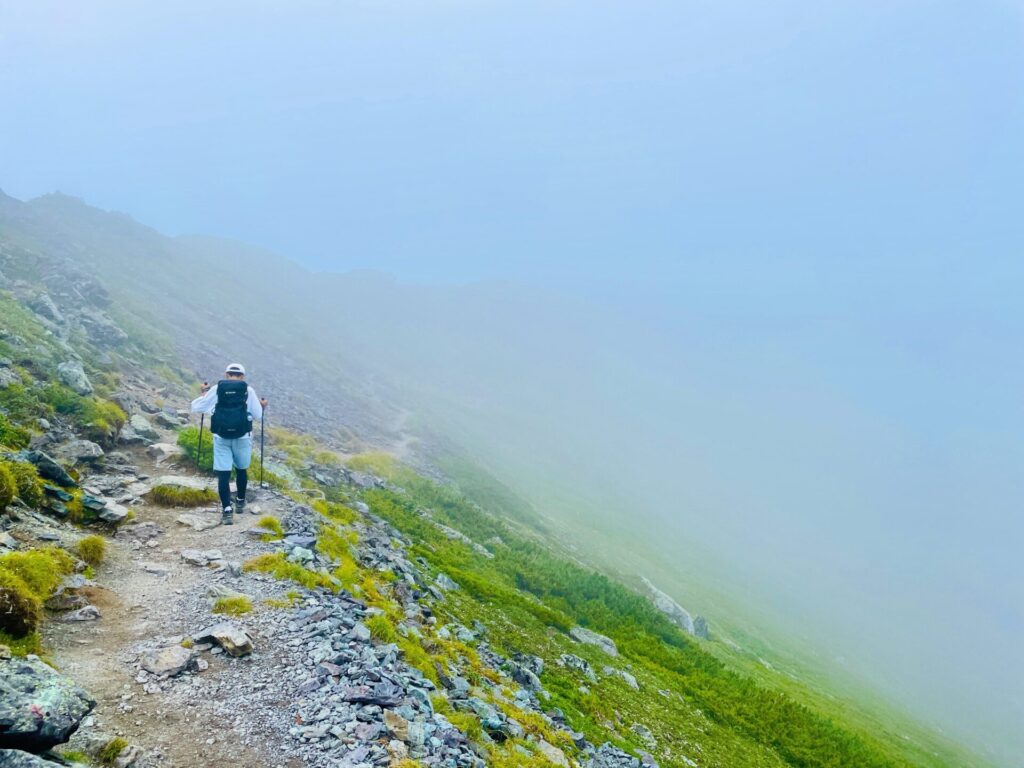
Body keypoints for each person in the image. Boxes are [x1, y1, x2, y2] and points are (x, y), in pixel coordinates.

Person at [190, 363, 267, 525]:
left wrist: (204, 394)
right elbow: (257, 415)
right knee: (241, 469)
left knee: (223, 474)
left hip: (221, 437)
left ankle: (226, 510)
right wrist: (263, 407)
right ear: (242, 376)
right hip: (242, 437)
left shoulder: (218, 388)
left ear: (226, 374)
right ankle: (240, 500)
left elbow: (197, 407)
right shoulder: (248, 390)